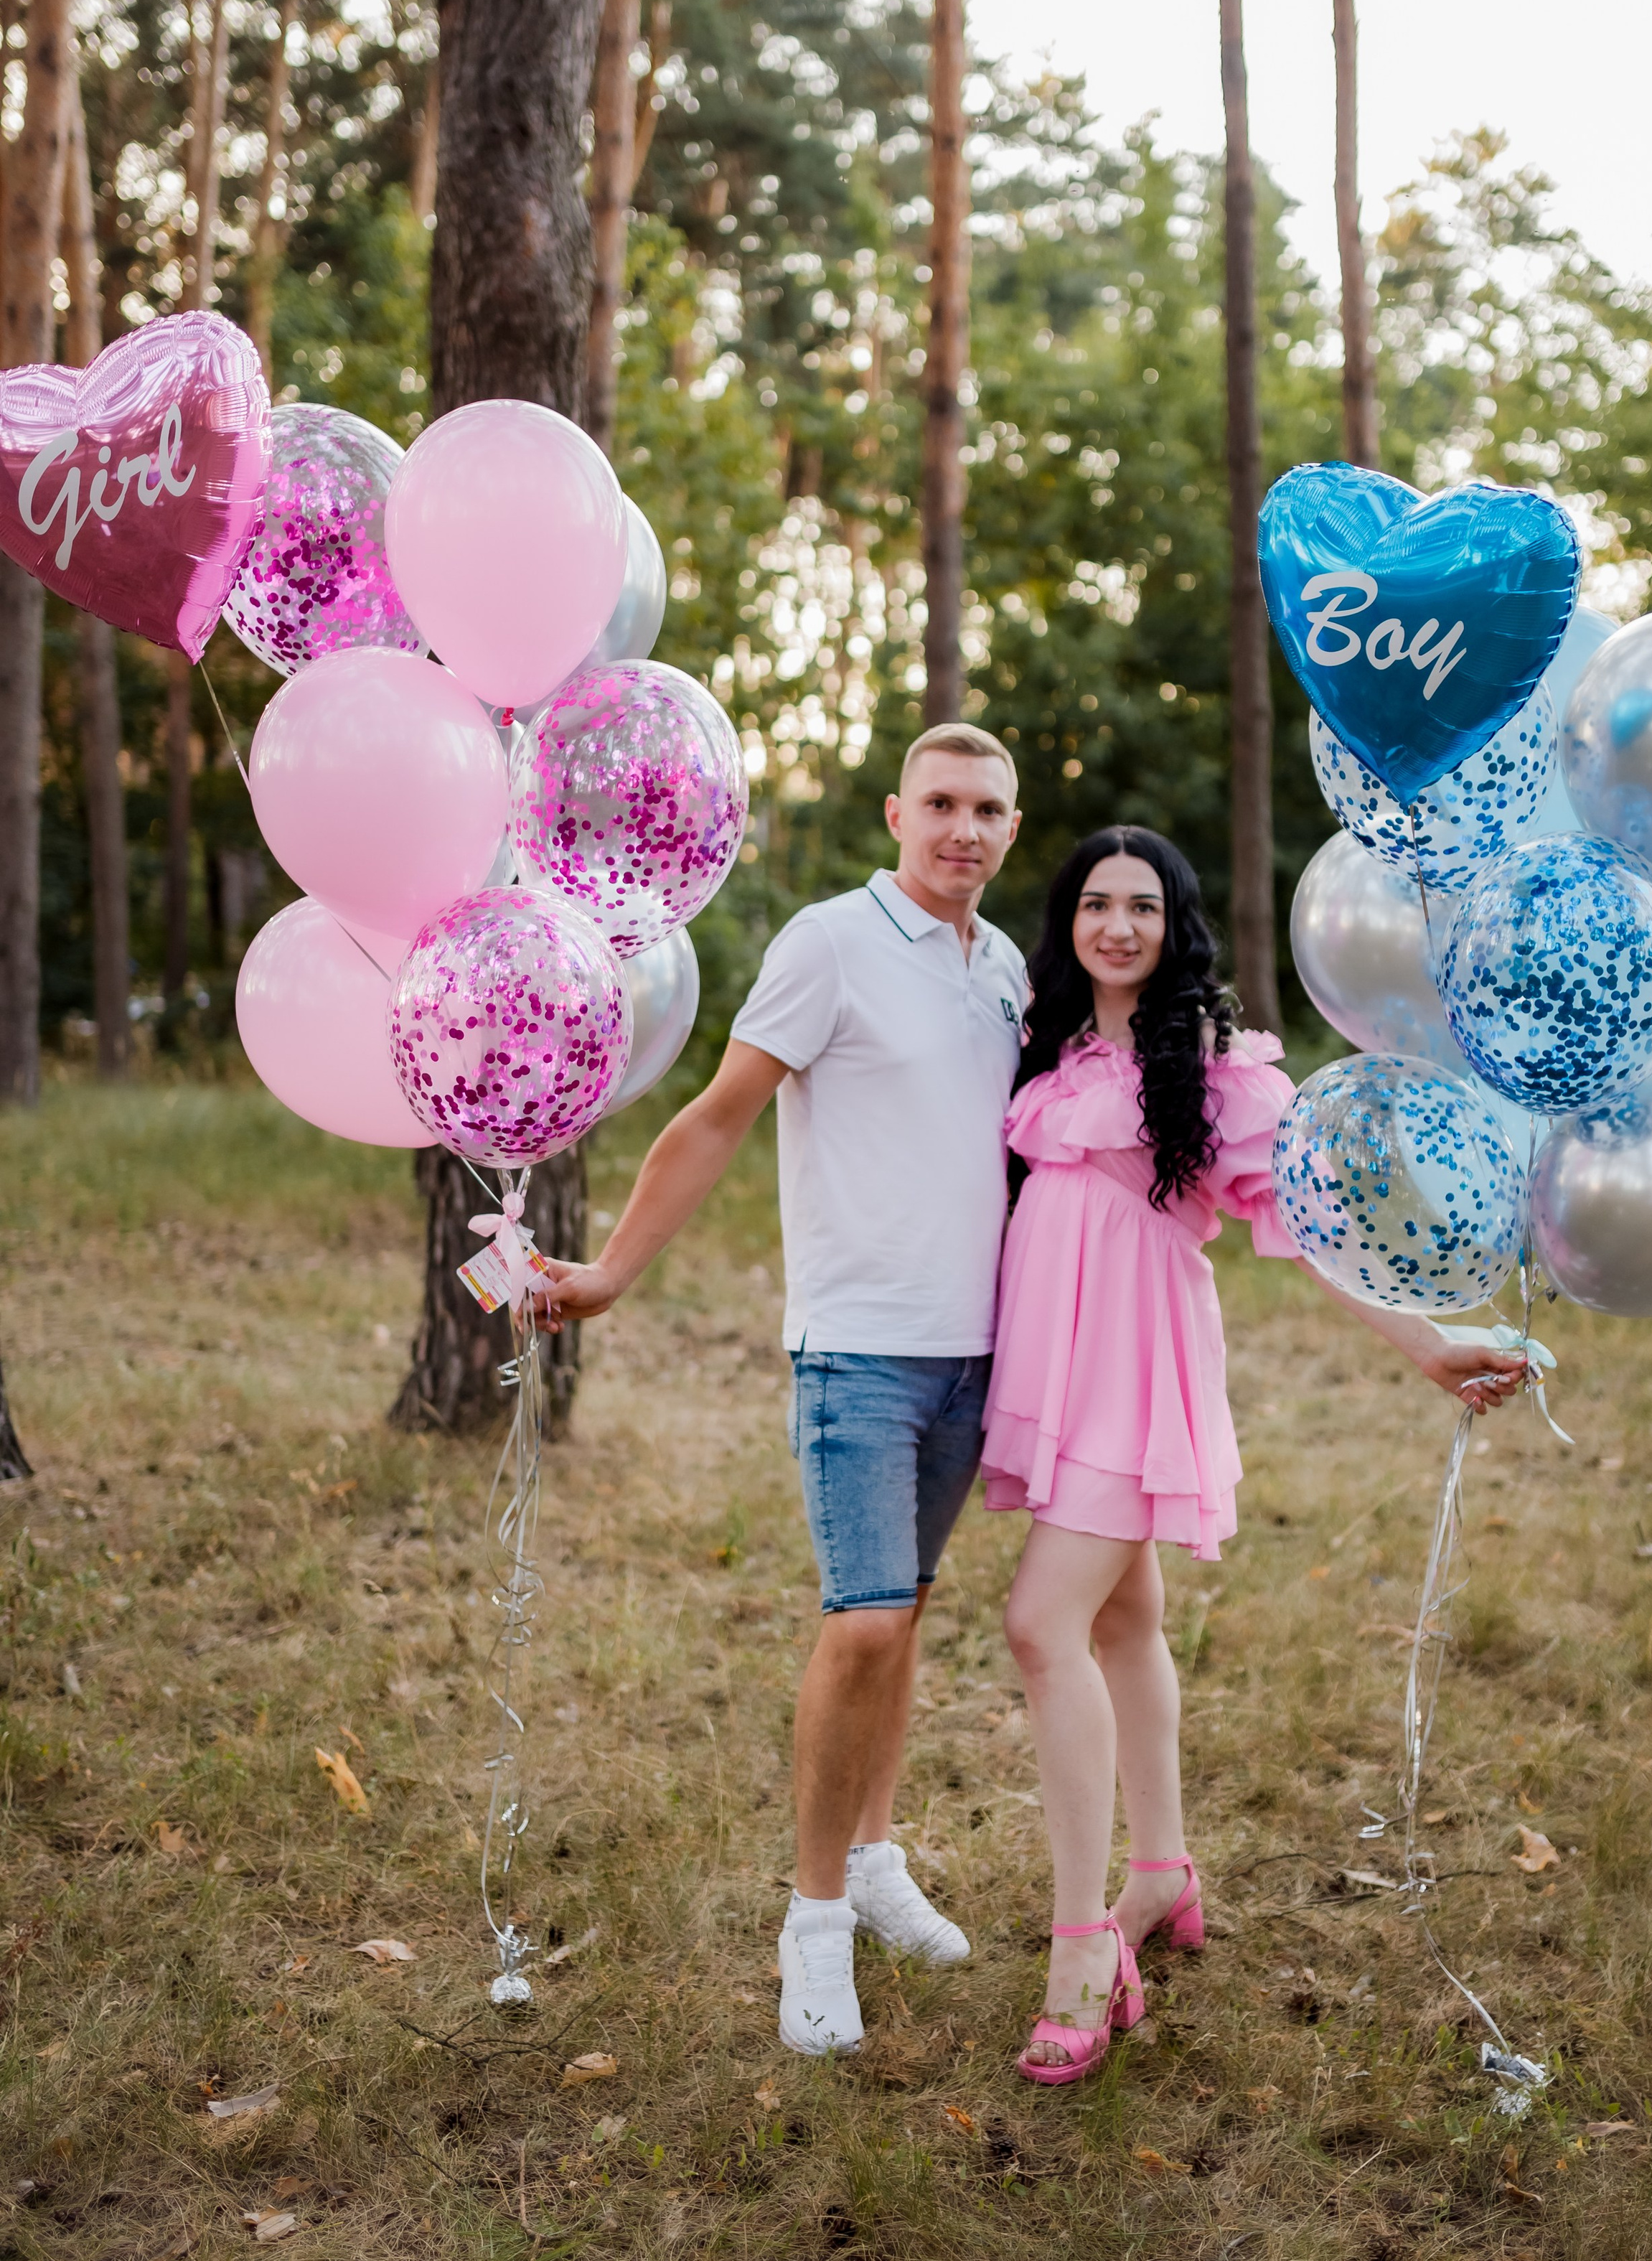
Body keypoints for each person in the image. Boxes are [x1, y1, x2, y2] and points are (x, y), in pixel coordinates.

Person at [985, 826, 1526, 2084]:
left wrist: (1427, 1341)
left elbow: (1314, 1223)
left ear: (1177, 925)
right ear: (1068, 918)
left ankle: (1083, 1953)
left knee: (1038, 1627)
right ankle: (1166, 1875)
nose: (1118, 926)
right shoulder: (1049, 1048)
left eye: (1144, 907)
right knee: (1124, 1624)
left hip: (1134, 1370)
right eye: (1096, 904)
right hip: (1051, 1370)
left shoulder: (1220, 1071)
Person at [538, 724, 1028, 2056]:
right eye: (941, 804)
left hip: (974, 1355)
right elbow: (716, 1114)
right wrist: (613, 1274)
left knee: (910, 1616)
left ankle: (875, 1866)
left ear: (1011, 828)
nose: (962, 830)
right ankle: (812, 1925)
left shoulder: (1007, 970)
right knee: (862, 1625)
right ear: (894, 814)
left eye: (988, 809)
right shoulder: (827, 943)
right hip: (857, 1351)